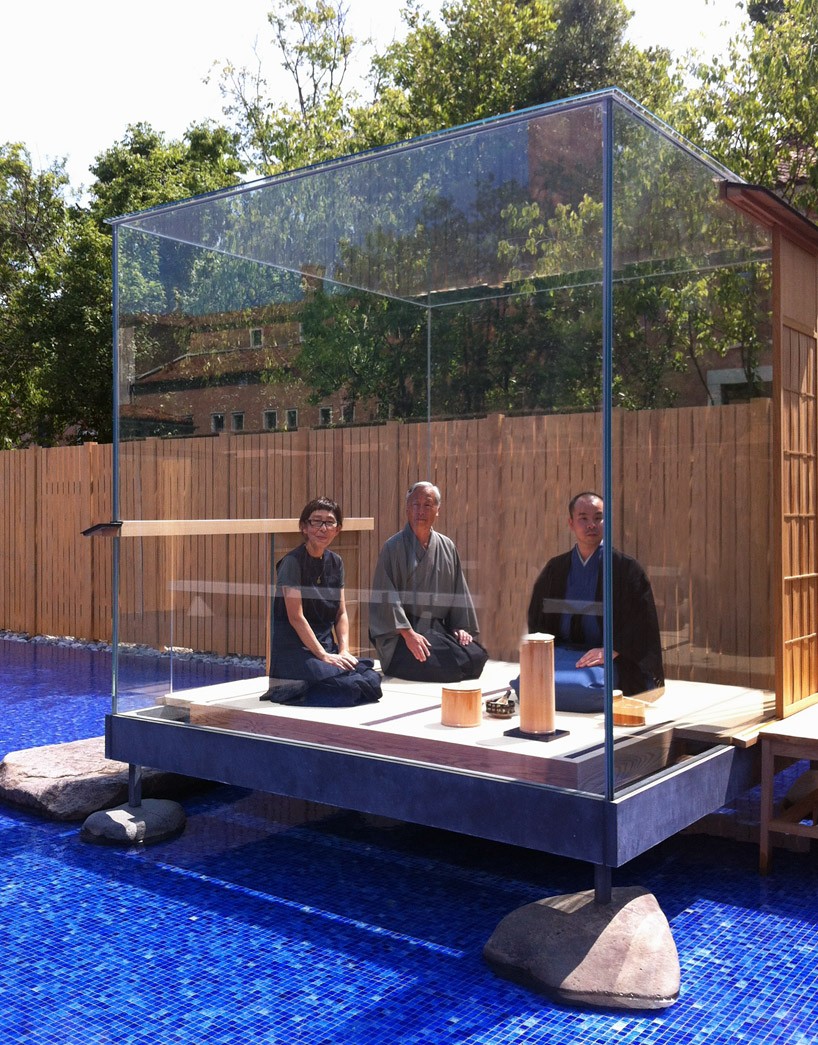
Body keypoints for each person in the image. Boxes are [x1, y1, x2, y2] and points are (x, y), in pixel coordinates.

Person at [520, 491, 664, 711]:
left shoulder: (626, 568)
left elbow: (642, 622)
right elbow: (538, 618)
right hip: (563, 653)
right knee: (528, 684)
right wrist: (546, 651)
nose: (591, 524)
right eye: (583, 518)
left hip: (609, 657)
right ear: (571, 523)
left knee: (589, 688)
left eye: (598, 518)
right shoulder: (555, 568)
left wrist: (612, 649)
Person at [369, 481, 489, 683]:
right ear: (407, 509)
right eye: (415, 504)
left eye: (427, 505)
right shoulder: (393, 547)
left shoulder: (446, 546)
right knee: (445, 666)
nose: (421, 511)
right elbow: (386, 598)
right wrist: (409, 634)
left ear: (437, 510)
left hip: (437, 630)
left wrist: (460, 627)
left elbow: (458, 589)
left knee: (476, 657)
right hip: (402, 635)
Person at [267, 497, 382, 706]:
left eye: (329, 522)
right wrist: (323, 655)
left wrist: (343, 650)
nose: (323, 528)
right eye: (316, 521)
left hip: (327, 647)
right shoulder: (292, 563)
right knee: (348, 688)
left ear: (337, 529)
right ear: (304, 527)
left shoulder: (336, 562)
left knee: (372, 679)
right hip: (296, 652)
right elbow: (296, 617)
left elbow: (340, 613)